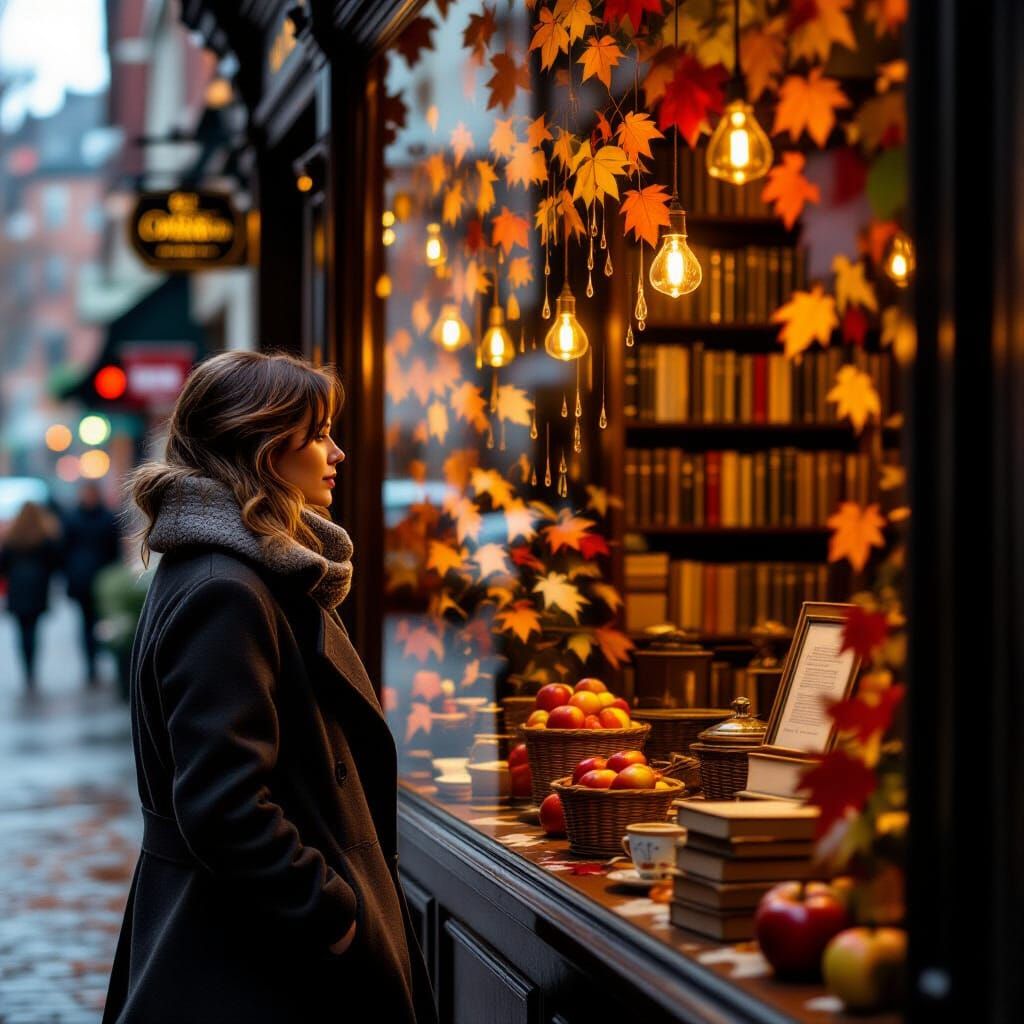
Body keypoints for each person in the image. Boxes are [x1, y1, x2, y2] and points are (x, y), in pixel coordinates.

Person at [102, 351, 437, 1024]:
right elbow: (224, 806)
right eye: (317, 435)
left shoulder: (240, 569)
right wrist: (337, 918)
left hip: (247, 943)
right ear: (263, 447)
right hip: (251, 960)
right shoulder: (228, 588)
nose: (337, 452)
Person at [61, 480, 121, 686]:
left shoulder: (104, 518)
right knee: (86, 622)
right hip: (82, 580)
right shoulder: (74, 518)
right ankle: (91, 663)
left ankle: (97, 658)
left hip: (100, 579)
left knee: (99, 622)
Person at [0, 501, 63, 693]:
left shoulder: (12, 537)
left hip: (18, 587)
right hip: (38, 586)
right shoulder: (44, 537)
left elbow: (3, 565)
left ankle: (26, 668)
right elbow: (54, 562)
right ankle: (32, 668)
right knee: (34, 629)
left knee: (21, 630)